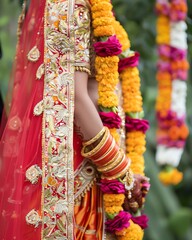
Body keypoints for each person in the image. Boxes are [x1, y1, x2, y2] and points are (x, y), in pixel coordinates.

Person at [0, 0, 149, 239]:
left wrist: (125, 172)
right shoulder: (71, 4)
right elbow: (75, 98)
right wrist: (122, 173)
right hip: (83, 182)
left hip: (98, 171)